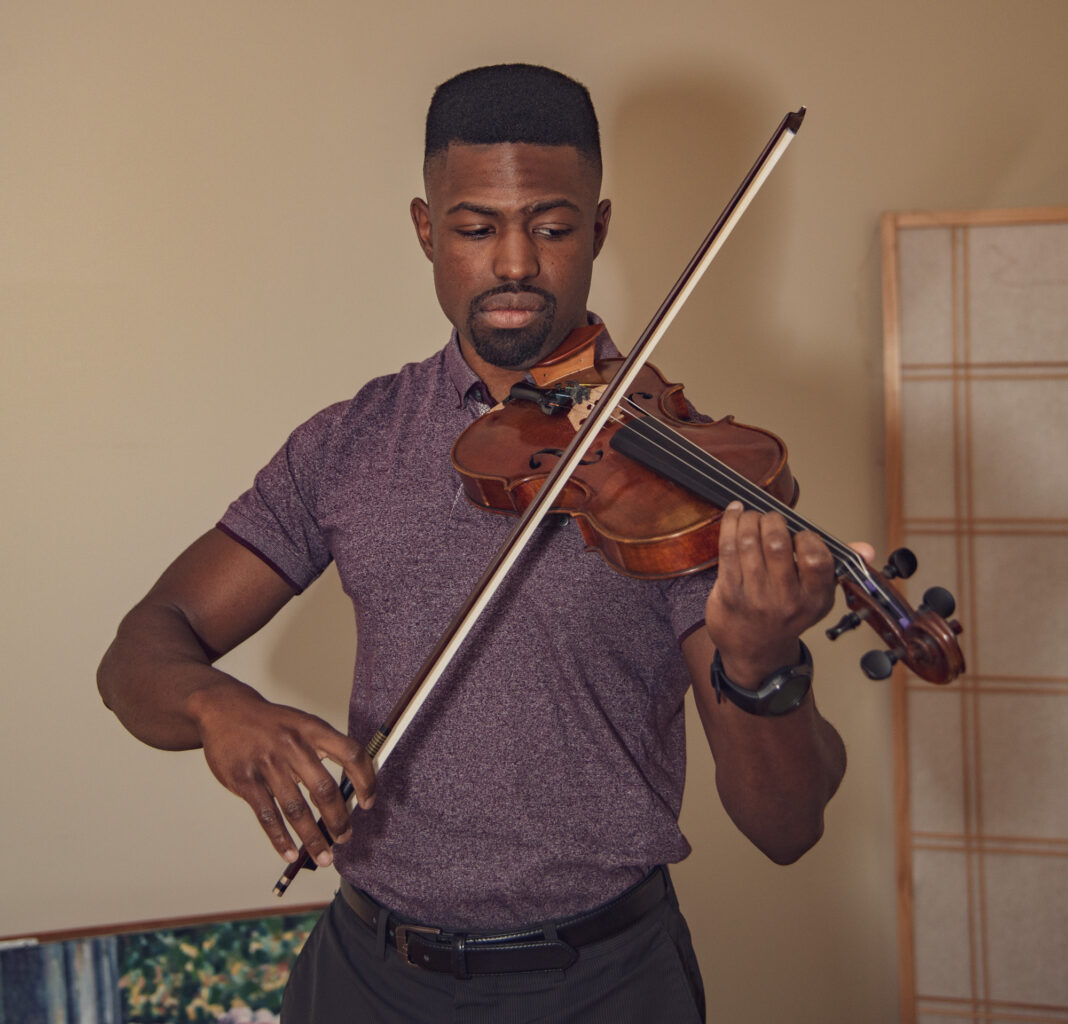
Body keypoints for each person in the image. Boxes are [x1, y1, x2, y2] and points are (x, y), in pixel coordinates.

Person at [98, 64, 857, 1023]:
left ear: (598, 229)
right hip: (367, 975)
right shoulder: (350, 442)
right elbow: (141, 647)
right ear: (427, 230)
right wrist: (217, 707)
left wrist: (760, 663)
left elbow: (785, 826)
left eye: (550, 226)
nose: (513, 266)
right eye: (475, 228)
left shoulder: (687, 478)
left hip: (605, 983)